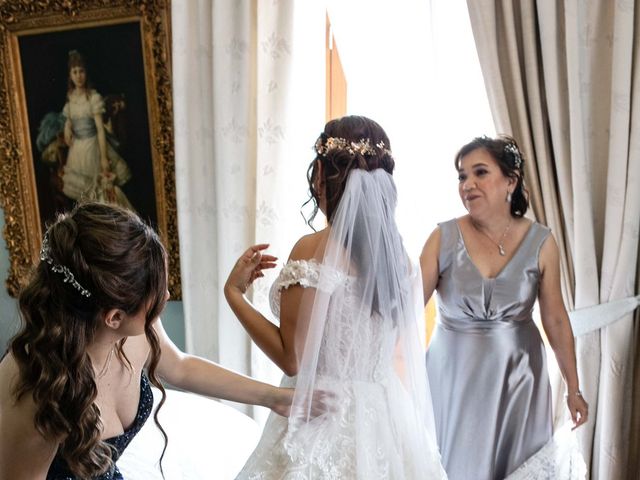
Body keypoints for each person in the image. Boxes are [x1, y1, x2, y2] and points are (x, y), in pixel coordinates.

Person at [0, 202, 298, 480]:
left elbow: (180, 367)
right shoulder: (39, 389)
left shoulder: (130, 328)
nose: (166, 297)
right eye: (156, 297)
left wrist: (275, 397)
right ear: (114, 317)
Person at [225, 115, 446, 478]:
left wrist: (234, 294)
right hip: (386, 416)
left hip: (321, 413)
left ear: (321, 176)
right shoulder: (401, 260)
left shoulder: (313, 249)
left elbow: (292, 359)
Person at [420, 135, 588, 479]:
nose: (468, 184)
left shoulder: (542, 241)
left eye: (480, 172)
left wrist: (574, 388)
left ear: (510, 181)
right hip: (452, 377)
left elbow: (555, 319)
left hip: (519, 378)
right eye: (462, 176)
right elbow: (405, 309)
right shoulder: (442, 237)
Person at [61, 50, 132, 209]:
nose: (78, 76)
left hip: (93, 147)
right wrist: (67, 127)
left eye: (81, 71)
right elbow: (69, 118)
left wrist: (104, 158)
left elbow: (100, 130)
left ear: (86, 73)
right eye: (75, 72)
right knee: (84, 195)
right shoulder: (71, 98)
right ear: (70, 75)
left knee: (101, 193)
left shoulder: (93, 98)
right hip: (78, 151)